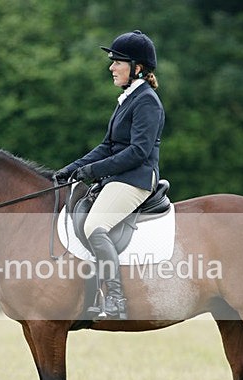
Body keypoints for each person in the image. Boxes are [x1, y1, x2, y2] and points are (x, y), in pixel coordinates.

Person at [53, 30, 164, 319]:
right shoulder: (128, 99)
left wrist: (92, 171)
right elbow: (107, 147)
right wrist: (72, 168)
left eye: (118, 62)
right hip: (119, 178)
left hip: (137, 179)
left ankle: (116, 298)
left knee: (94, 227)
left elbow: (138, 152)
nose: (111, 67)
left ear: (137, 68)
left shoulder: (147, 101)